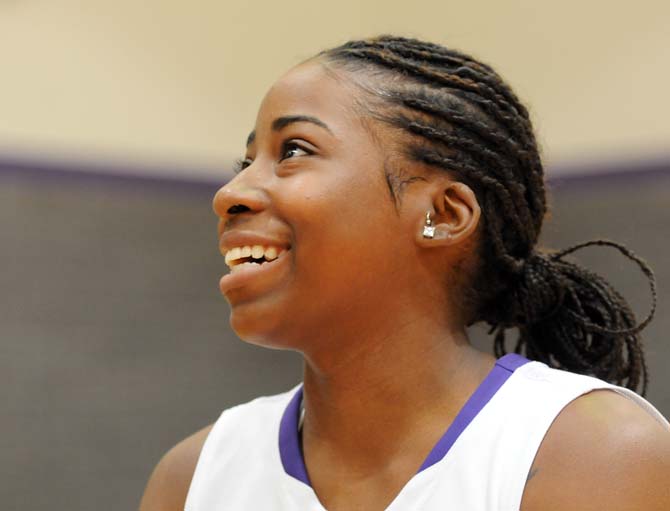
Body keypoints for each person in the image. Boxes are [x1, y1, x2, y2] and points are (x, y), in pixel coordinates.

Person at [139, 35, 670, 511]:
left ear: (443, 213)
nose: (229, 195)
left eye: (294, 150)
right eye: (245, 164)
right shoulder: (192, 479)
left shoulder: (596, 454)